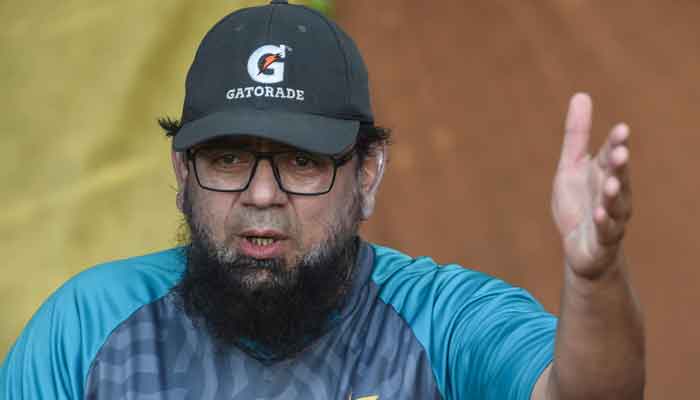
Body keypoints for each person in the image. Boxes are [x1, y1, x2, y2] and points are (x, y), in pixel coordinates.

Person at [0, 1, 644, 399]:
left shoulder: (443, 322)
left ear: (368, 174)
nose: (261, 194)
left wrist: (594, 280)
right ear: (181, 172)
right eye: (228, 159)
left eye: (302, 162)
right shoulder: (85, 329)